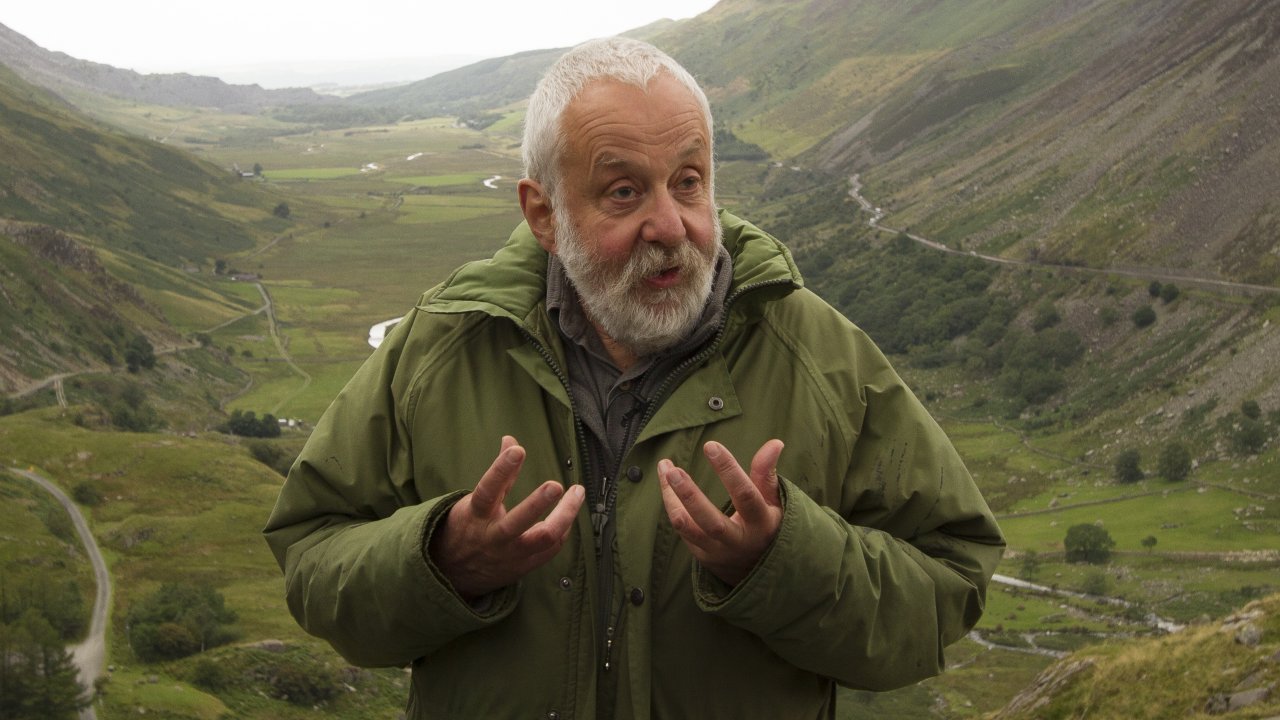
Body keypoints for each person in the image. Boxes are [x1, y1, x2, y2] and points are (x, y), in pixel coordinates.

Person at [263, 37, 1004, 720]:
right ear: (543, 214)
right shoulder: (443, 348)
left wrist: (784, 566)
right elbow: (312, 552)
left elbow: (951, 583)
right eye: (623, 192)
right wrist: (438, 562)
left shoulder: (819, 355)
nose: (670, 225)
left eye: (688, 182)